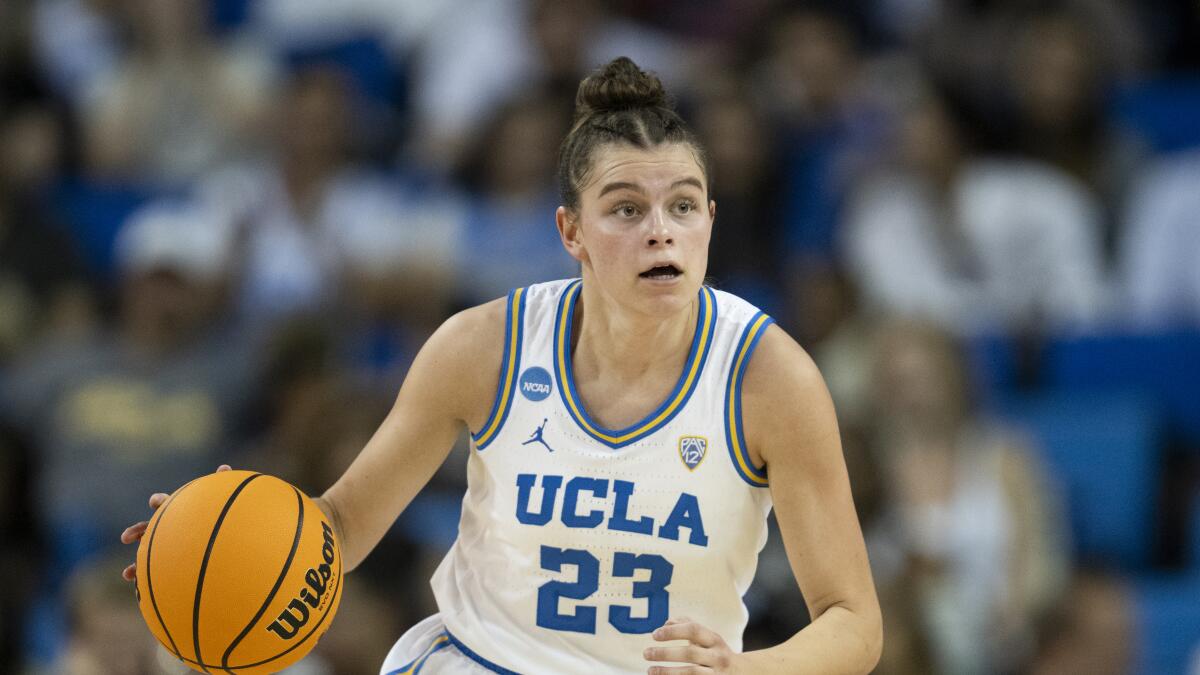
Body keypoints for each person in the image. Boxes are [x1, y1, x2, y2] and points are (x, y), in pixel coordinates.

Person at [121, 57, 882, 674]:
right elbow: (343, 524)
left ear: (710, 219)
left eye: (683, 205)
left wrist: (741, 671)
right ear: (571, 230)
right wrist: (213, 538)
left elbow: (852, 621)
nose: (661, 232)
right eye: (625, 208)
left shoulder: (768, 377)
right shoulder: (484, 346)